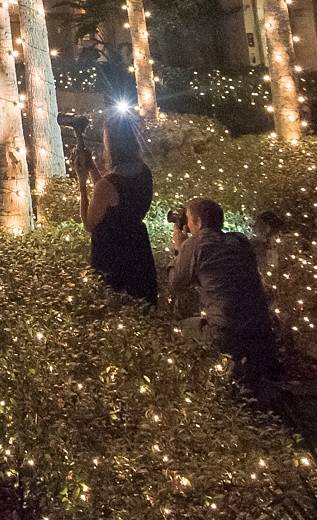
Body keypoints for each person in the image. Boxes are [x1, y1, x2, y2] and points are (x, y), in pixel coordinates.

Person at [168, 196, 286, 412]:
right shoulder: (240, 242)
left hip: (227, 334)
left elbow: (176, 286)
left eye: (189, 220)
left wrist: (178, 250)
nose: (186, 225)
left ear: (200, 222)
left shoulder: (195, 245)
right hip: (262, 334)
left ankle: (198, 393)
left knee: (176, 331)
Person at [87, 118, 158, 302]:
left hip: (112, 255)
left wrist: (81, 182)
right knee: (142, 307)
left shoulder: (108, 184)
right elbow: (112, 197)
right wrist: (91, 169)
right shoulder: (145, 172)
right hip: (138, 249)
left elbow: (89, 224)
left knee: (115, 306)